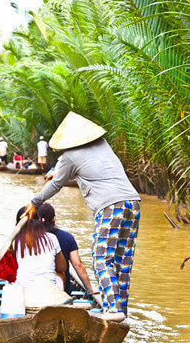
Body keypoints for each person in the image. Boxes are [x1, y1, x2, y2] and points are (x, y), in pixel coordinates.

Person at [22, 112, 141, 318]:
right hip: (133, 203)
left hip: (110, 206)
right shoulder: (103, 144)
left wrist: (35, 202)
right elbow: (90, 169)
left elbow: (57, 184)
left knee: (101, 257)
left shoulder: (69, 156)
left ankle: (112, 309)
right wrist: (59, 172)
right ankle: (121, 311)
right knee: (123, 260)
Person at [37, 203, 96, 297]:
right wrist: (89, 289)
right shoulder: (67, 237)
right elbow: (78, 264)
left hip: (35, 286)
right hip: (63, 288)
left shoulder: (31, 238)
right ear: (54, 219)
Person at [12, 206, 68, 290]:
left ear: (17, 224)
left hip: (24, 288)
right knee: (60, 274)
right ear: (39, 222)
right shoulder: (52, 238)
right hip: (48, 289)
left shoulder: (14, 242)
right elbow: (62, 267)